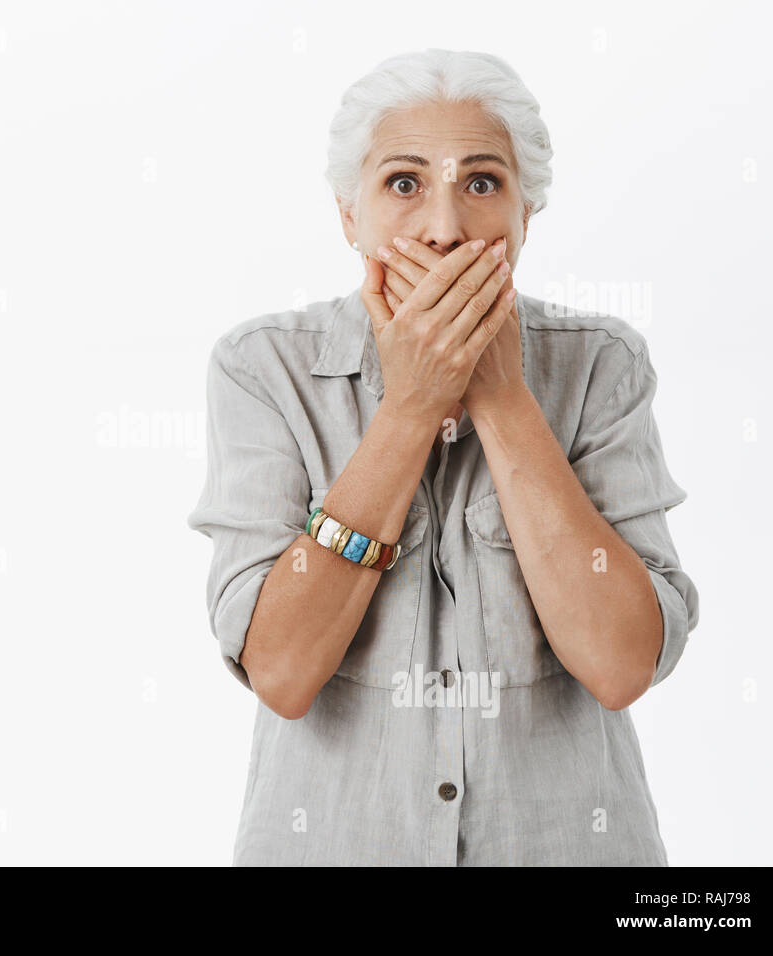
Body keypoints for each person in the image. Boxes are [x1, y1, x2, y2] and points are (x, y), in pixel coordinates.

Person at [186, 48, 699, 866]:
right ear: (349, 215)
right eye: (403, 183)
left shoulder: (603, 364)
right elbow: (281, 672)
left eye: (483, 183)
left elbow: (621, 663)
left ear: (526, 213)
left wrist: (500, 398)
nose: (444, 228)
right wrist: (413, 406)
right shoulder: (262, 368)